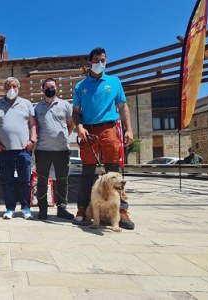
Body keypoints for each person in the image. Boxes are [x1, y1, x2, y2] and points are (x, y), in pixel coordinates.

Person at [72, 47, 135, 230]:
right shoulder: (80, 86)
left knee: (114, 172)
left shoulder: (114, 82)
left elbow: (123, 107)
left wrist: (129, 129)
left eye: (103, 60)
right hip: (89, 131)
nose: (100, 63)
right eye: (97, 60)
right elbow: (76, 113)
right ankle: (82, 210)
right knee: (87, 173)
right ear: (90, 62)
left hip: (109, 129)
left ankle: (121, 211)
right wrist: (80, 127)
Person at [0, 77, 37, 220]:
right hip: (4, 150)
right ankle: (9, 208)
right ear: (4, 88)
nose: (11, 89)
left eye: (14, 86)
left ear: (18, 88)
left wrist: (32, 140)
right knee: (7, 180)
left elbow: (33, 124)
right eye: (8, 86)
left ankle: (26, 208)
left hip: (24, 149)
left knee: (25, 180)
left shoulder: (26, 103)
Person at [34, 78, 76, 220]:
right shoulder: (37, 107)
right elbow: (35, 127)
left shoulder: (65, 105)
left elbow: (71, 124)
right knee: (41, 181)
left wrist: (63, 137)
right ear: (42, 89)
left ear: (57, 89)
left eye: (53, 87)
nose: (50, 89)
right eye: (47, 87)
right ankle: (42, 209)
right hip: (42, 150)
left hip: (62, 150)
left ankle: (62, 209)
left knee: (63, 180)